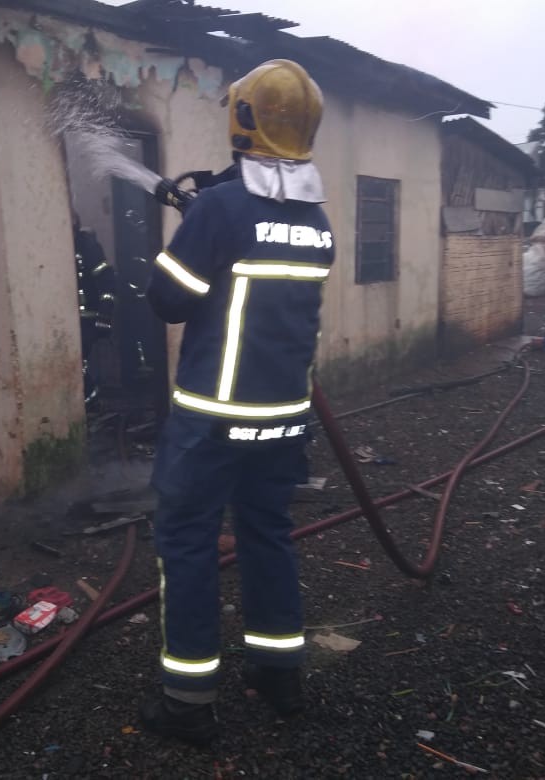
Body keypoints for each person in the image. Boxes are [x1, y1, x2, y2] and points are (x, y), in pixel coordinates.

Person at [140, 59, 335, 744]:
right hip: (282, 419)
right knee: (267, 534)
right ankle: (279, 676)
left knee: (187, 543)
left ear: (245, 119)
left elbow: (168, 300)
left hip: (212, 420)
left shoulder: (220, 210)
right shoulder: (317, 220)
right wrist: (208, 212)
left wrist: (197, 221)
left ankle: (188, 702)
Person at [73, 213, 116, 401]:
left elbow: (107, 282)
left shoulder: (88, 247)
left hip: (88, 318)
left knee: (81, 359)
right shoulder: (57, 248)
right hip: (69, 319)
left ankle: (89, 396)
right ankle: (88, 397)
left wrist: (104, 315)